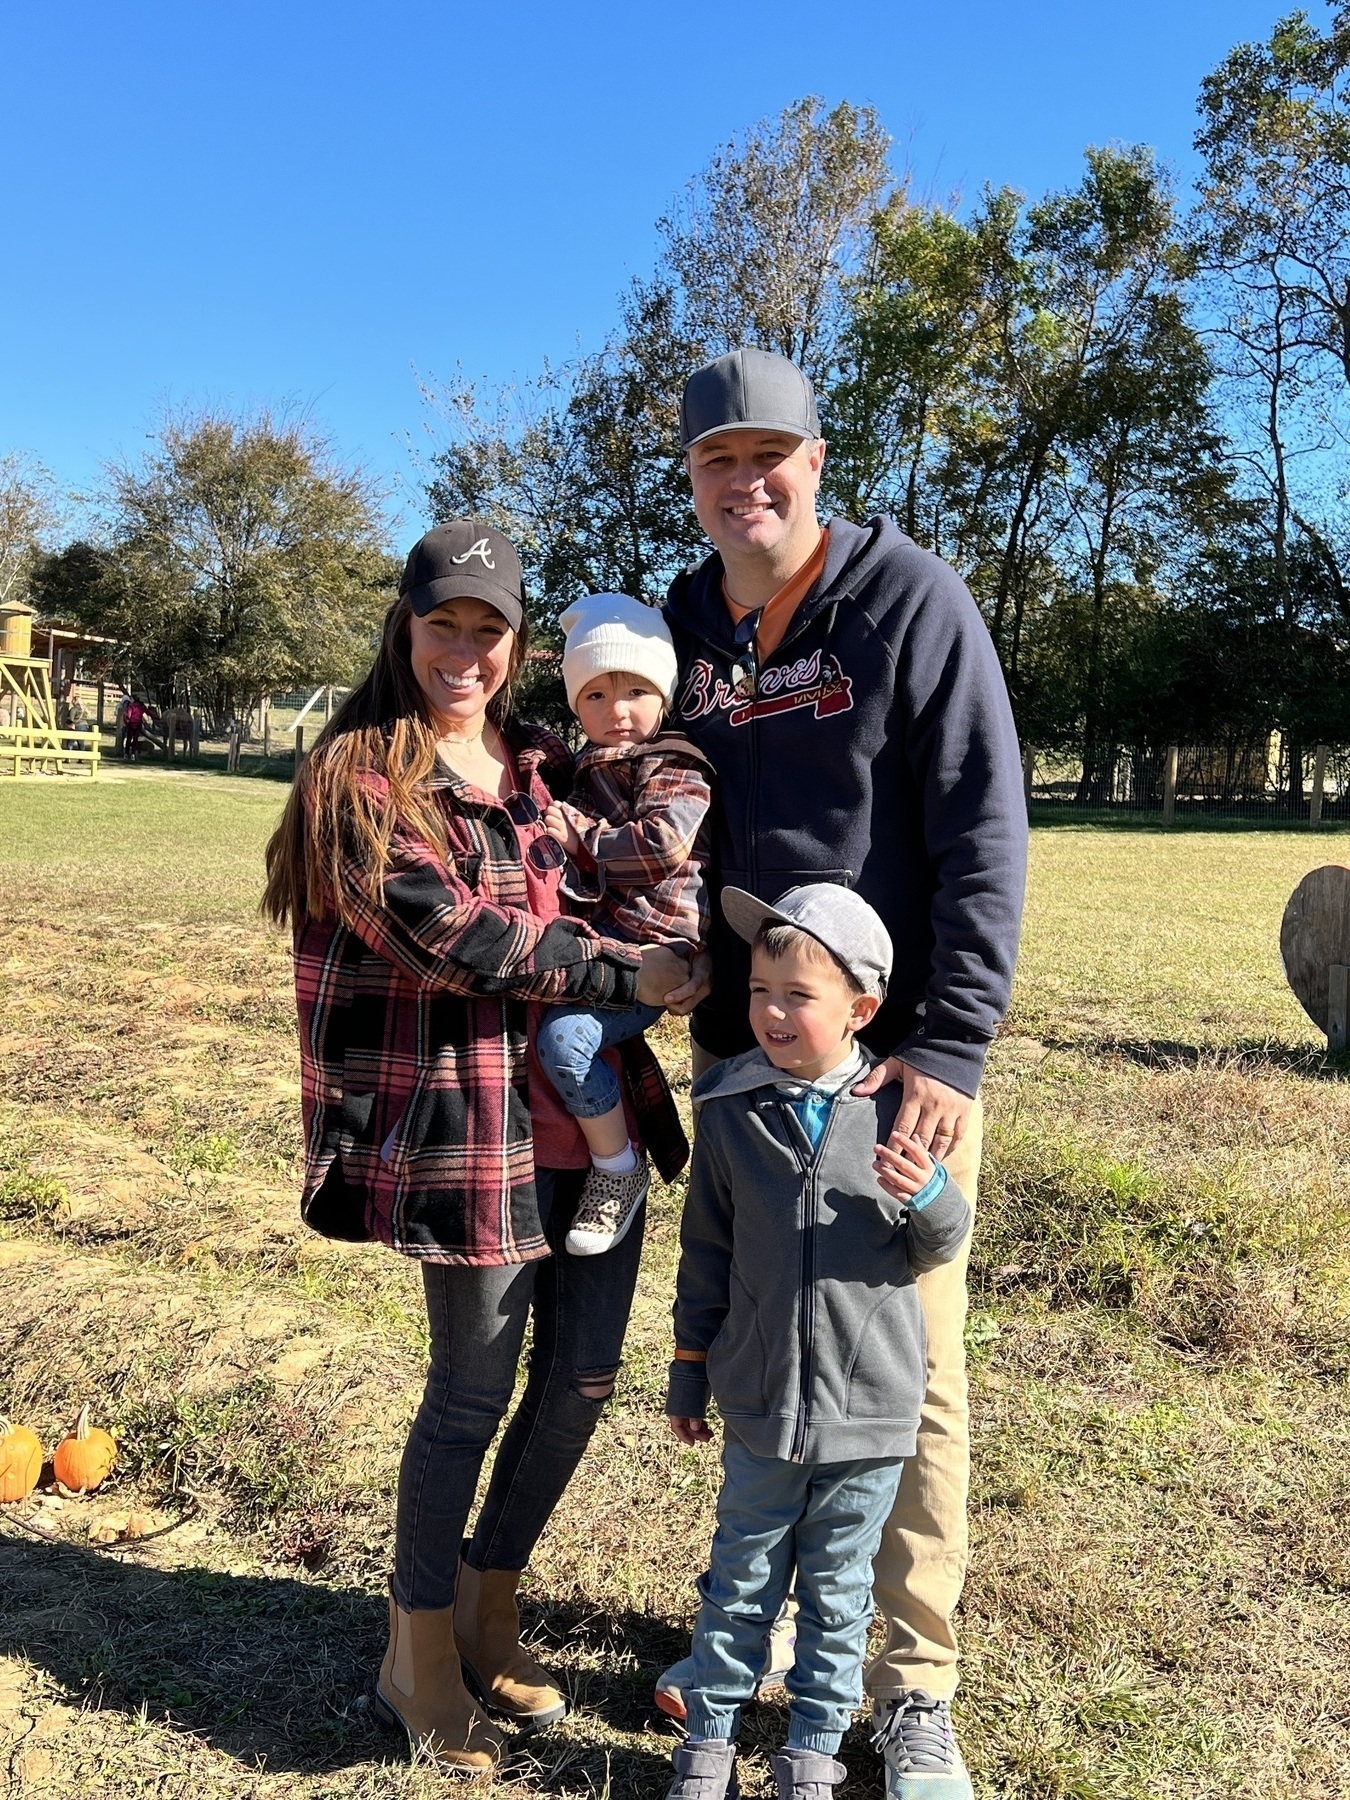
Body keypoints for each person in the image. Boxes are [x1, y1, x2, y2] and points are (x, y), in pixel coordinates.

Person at [262, 520, 692, 1773]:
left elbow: (657, 840)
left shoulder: (547, 764)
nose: (464, 650)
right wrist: (629, 969)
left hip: (590, 1109)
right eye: (442, 623)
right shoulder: (358, 775)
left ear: (517, 646)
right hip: (472, 1128)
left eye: (488, 629)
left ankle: (491, 1597)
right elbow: (452, 935)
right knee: (469, 1390)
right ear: (405, 625)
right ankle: (419, 1651)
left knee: (584, 1381)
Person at [659, 347, 1027, 1798]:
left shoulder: (905, 603)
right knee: (756, 1339)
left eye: (771, 456)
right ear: (691, 482)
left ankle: (909, 1688)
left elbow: (982, 830)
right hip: (741, 1061)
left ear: (818, 462)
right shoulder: (685, 624)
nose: (746, 483)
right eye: (715, 462)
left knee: (910, 1363)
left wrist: (946, 1043)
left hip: (894, 1066)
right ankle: (740, 1639)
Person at [662, 884, 971, 1800]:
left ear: (861, 1010)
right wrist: (689, 1371)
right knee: (739, 1583)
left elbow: (941, 1242)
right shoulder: (727, 1109)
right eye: (760, 991)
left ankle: (811, 1759)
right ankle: (706, 1751)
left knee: (838, 1604)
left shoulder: (900, 1115)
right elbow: (705, 1252)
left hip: (870, 1418)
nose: (771, 1013)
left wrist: (927, 1195)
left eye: (797, 995)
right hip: (760, 1408)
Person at [535, 592, 712, 1256]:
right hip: (607, 944)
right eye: (597, 695)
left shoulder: (675, 763)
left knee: (567, 1039)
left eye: (636, 689)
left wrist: (580, 834)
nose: (618, 710)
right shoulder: (587, 767)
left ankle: (618, 1165)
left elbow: (663, 844)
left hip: (655, 947)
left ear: (664, 695)